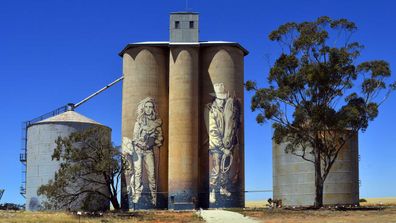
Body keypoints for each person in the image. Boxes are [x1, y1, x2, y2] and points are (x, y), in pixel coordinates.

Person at [207, 83, 240, 203]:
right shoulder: (213, 112)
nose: (222, 101)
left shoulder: (226, 109)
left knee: (225, 169)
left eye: (223, 98)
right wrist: (222, 148)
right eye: (219, 98)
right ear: (216, 99)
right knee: (216, 169)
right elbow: (213, 132)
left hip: (226, 145)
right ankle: (212, 192)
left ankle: (223, 188)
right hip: (216, 147)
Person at [128, 97, 163, 205]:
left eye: (151, 107)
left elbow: (159, 137)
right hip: (137, 150)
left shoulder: (156, 123)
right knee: (138, 173)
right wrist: (140, 144)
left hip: (148, 150)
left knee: (152, 174)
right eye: (146, 107)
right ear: (143, 108)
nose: (148, 109)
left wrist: (154, 142)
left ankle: (154, 197)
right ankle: (137, 195)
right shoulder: (138, 122)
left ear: (153, 109)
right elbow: (134, 138)